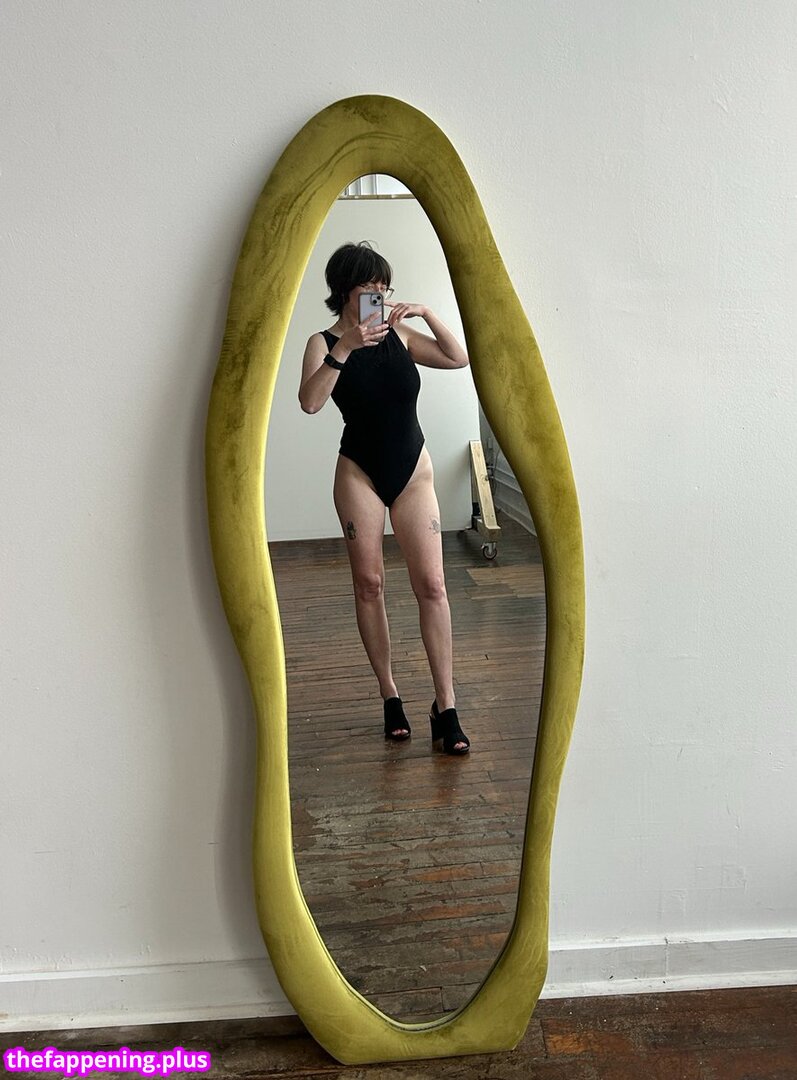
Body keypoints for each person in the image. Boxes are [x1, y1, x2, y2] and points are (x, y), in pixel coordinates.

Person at [298, 241, 471, 754]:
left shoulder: (399, 333)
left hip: (412, 470)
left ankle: (446, 705)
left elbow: (457, 358)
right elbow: (310, 402)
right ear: (343, 289)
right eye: (369, 286)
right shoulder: (323, 341)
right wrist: (346, 348)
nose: (379, 293)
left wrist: (427, 313)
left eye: (383, 286)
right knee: (369, 584)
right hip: (359, 473)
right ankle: (390, 694)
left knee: (433, 585)